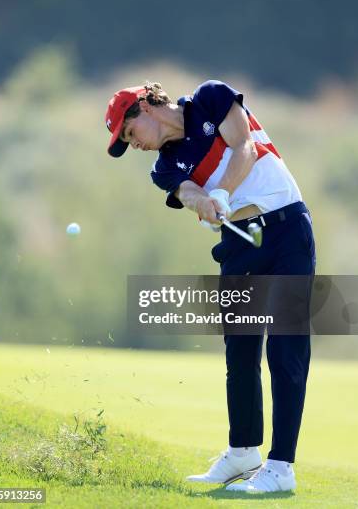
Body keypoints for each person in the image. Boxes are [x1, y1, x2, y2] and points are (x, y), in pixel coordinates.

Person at [105, 79, 316, 494]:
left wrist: (220, 190)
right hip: (240, 246)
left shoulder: (211, 98)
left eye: (129, 134)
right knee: (240, 353)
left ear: (146, 107)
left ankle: (280, 467)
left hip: (286, 229)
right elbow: (186, 192)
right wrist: (202, 201)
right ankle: (243, 452)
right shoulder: (164, 168)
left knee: (285, 347)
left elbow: (246, 148)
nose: (134, 145)